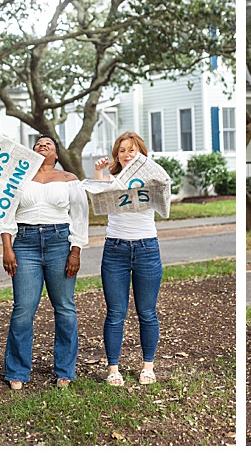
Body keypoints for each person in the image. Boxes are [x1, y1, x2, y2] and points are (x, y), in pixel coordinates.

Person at [0, 135, 89, 389]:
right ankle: (17, 370)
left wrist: (76, 250)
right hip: (24, 243)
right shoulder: (18, 178)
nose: (42, 144)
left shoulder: (68, 179)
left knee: (65, 307)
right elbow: (5, 213)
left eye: (48, 143)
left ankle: (64, 370)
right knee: (23, 309)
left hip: (60, 243)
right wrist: (7, 248)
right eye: (38, 143)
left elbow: (80, 217)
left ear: (56, 154)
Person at [91, 131, 164, 386]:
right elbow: (98, 203)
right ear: (116, 155)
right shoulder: (111, 178)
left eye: (132, 150)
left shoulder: (151, 178)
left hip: (147, 249)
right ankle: (113, 369)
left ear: (141, 153)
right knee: (115, 313)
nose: (126, 155)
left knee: (147, 312)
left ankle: (147, 367)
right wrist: (99, 173)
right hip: (115, 251)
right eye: (122, 150)